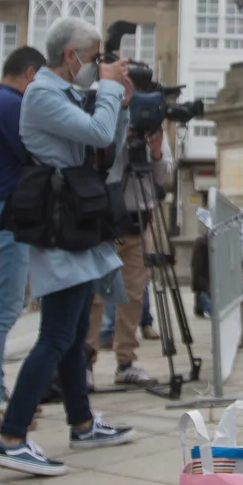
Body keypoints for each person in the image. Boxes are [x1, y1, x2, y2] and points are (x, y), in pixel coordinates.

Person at [0, 17, 138, 477]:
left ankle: (82, 423)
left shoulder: (66, 92)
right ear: (71, 56)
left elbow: (107, 142)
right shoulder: (42, 93)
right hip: (60, 222)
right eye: (94, 58)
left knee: (73, 335)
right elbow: (95, 133)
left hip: (75, 218)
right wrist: (110, 91)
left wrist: (120, 99)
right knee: (56, 336)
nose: (99, 66)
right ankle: (12, 438)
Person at [0, 45, 46, 431]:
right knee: (1, 311)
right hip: (3, 214)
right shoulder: (7, 104)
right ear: (30, 73)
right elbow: (38, 149)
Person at [91, 128, 174, 387]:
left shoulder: (152, 122)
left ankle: (126, 362)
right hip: (106, 219)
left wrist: (157, 151)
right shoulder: (106, 116)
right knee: (95, 296)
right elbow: (99, 167)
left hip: (140, 222)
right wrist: (120, 139)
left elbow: (165, 175)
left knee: (134, 294)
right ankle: (85, 363)